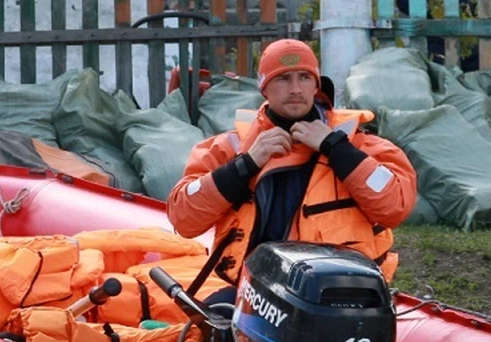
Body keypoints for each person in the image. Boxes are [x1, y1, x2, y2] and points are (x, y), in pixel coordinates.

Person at [166, 38, 417, 303]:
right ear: (264, 87)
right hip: (255, 294)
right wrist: (246, 164)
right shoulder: (233, 147)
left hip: (338, 295)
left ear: (316, 85)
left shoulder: (359, 144)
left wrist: (335, 148)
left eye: (305, 77)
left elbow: (395, 205)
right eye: (283, 78)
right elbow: (184, 218)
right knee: (210, 319)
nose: (296, 88)